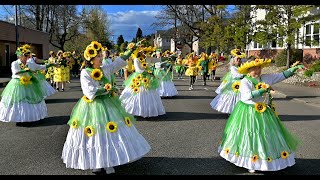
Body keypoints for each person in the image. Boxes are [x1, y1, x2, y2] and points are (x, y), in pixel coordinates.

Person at [61, 40, 151, 175]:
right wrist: (107, 88)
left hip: (108, 104)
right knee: (96, 132)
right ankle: (97, 162)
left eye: (101, 56)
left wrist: (131, 50)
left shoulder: (105, 69)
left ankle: (109, 161)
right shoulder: (85, 72)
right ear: (91, 59)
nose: (101, 58)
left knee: (110, 132)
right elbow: (89, 91)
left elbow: (118, 62)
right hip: (93, 105)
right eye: (98, 56)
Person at [217, 58, 304, 173]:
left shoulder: (264, 78)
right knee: (249, 135)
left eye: (259, 68)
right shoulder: (245, 81)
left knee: (265, 135)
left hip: (263, 110)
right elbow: (246, 96)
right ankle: (251, 162)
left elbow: (280, 76)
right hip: (248, 111)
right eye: (254, 68)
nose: (257, 70)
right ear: (248, 70)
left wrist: (293, 69)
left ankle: (264, 159)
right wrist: (263, 90)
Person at [0, 45, 54, 126]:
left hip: (29, 84)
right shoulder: (15, 63)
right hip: (17, 84)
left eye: (28, 56)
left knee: (28, 102)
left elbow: (39, 67)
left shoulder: (30, 63)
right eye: (25, 55)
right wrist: (25, 70)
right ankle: (19, 119)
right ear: (20, 56)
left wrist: (50, 65)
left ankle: (28, 118)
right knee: (19, 102)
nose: (27, 57)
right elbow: (15, 72)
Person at [120, 46, 166, 118]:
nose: (144, 53)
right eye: (142, 52)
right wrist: (148, 72)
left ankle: (147, 110)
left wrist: (167, 58)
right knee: (137, 93)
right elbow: (138, 70)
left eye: (145, 52)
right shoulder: (136, 59)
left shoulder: (148, 58)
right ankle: (135, 110)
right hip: (138, 78)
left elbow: (158, 60)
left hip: (147, 78)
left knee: (148, 93)